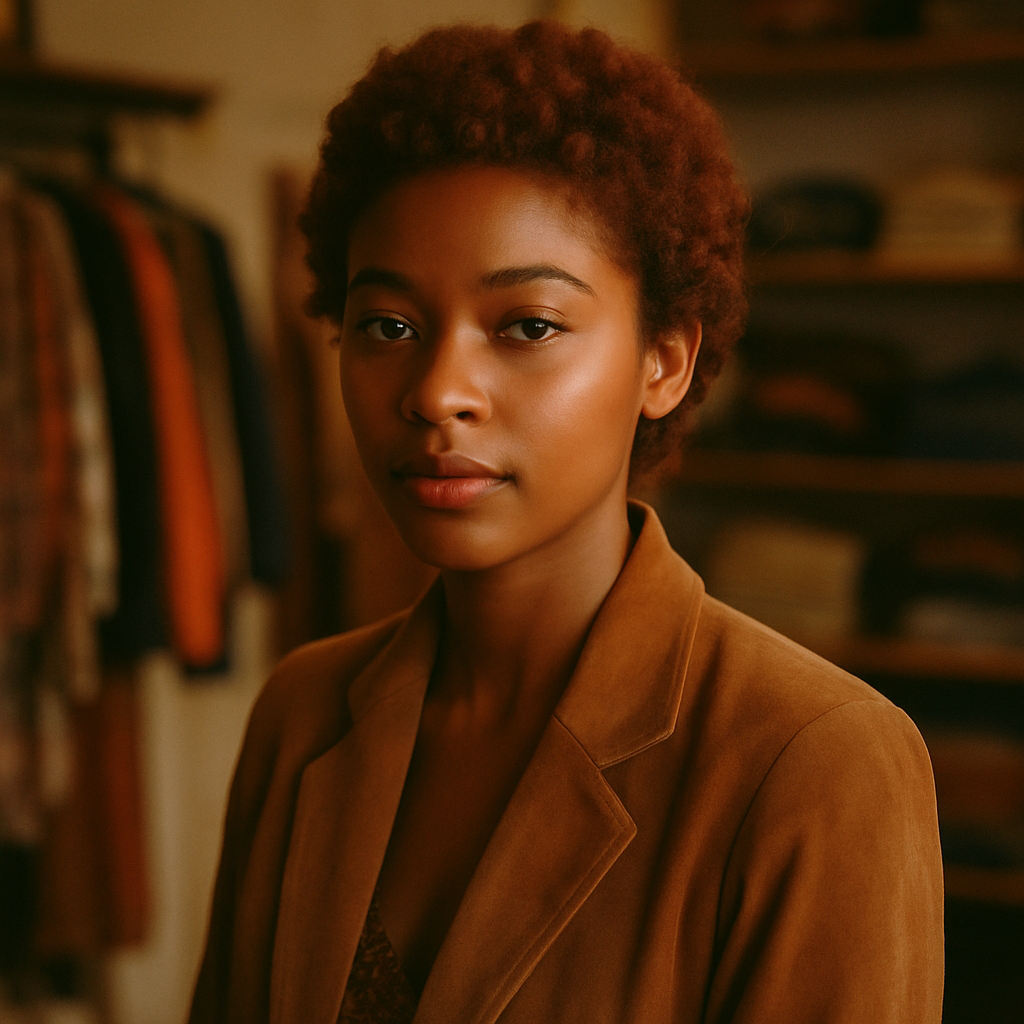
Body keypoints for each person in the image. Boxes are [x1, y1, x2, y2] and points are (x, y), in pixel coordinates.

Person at [188, 20, 943, 1024]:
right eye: (388, 326)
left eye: (528, 326)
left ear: (664, 360)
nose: (437, 391)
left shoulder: (812, 761)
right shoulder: (303, 713)